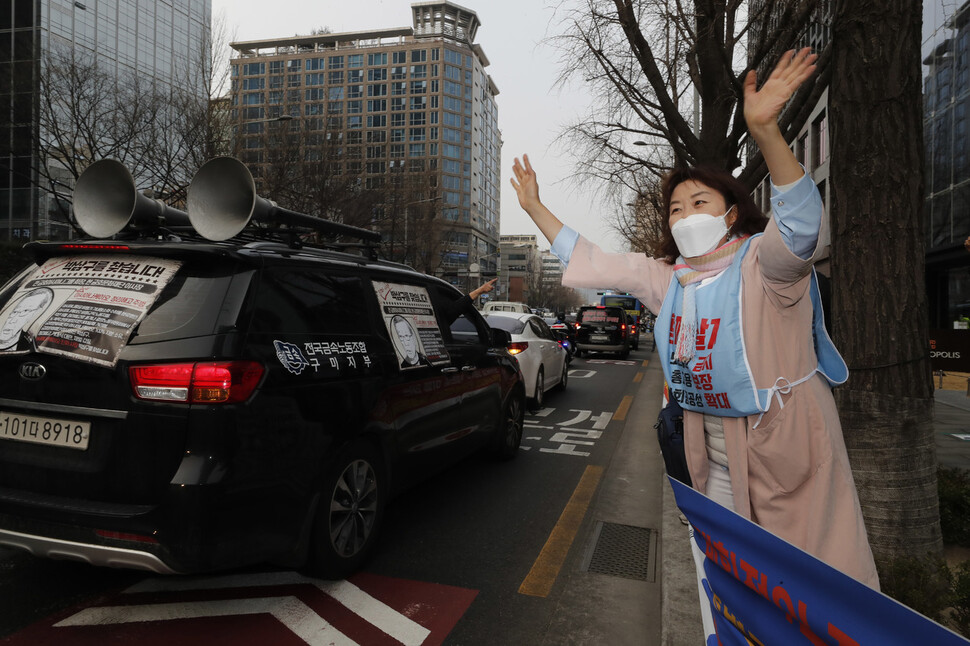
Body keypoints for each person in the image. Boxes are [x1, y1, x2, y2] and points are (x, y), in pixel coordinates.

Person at [511, 48, 879, 591]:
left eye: (698, 202)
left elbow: (800, 226)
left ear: (731, 212)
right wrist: (536, 209)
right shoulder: (672, 279)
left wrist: (766, 132)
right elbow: (600, 261)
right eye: (675, 208)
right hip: (712, 458)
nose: (684, 215)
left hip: (787, 451)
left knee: (811, 588)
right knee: (731, 584)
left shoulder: (764, 263)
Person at [0, 287, 54, 352]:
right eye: (15, 312)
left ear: (38, 314)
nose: (12, 321)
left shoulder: (35, 347)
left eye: (25, 311)